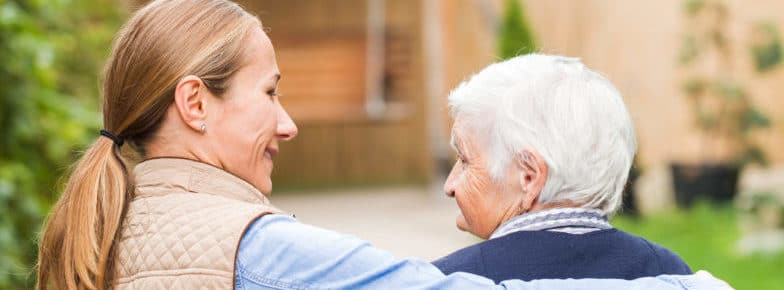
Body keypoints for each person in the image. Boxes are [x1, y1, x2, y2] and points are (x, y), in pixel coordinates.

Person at [35, 0, 731, 289]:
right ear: (194, 102)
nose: (288, 124)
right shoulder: (250, 246)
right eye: (271, 92)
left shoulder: (112, 221)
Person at [432, 54, 690, 282]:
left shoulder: (449, 280)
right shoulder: (671, 274)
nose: (450, 185)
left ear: (529, 176)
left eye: (465, 160)